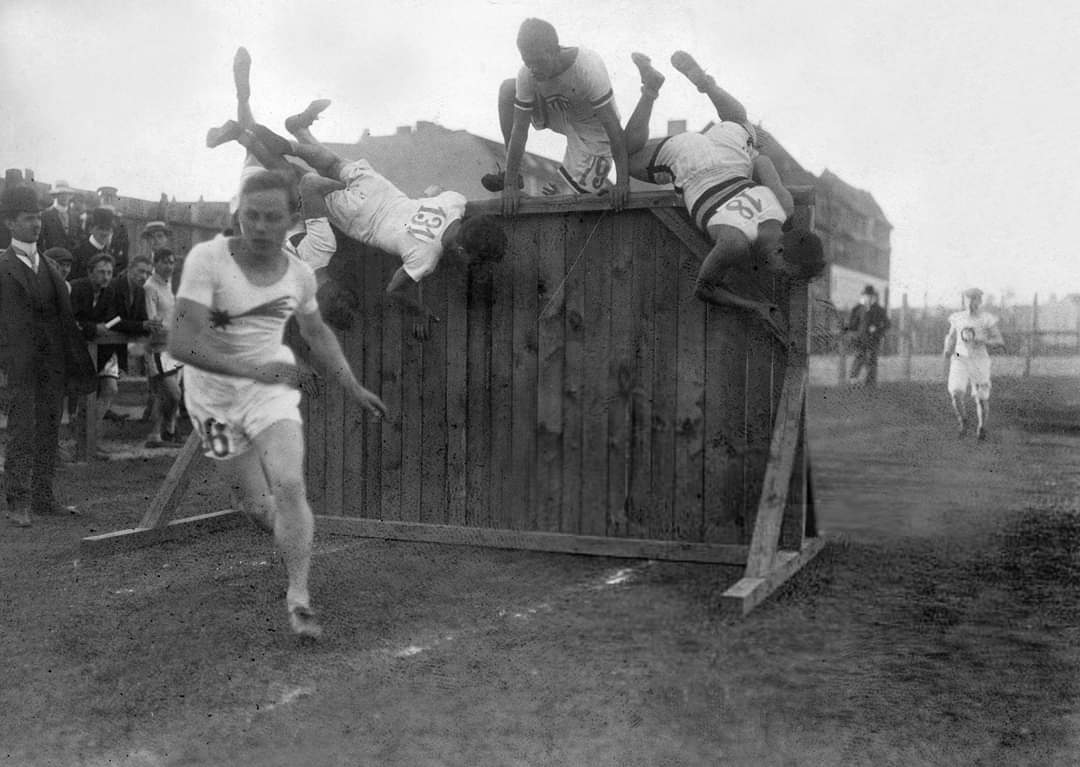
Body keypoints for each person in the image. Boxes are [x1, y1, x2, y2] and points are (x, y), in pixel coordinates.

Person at [168, 169, 388, 638]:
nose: (261, 226)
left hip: (269, 393)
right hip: (211, 399)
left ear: (292, 218)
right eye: (251, 216)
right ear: (237, 215)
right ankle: (284, 534)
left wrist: (351, 385)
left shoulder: (300, 274)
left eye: (272, 217)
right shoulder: (206, 261)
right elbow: (182, 344)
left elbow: (316, 332)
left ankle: (298, 597)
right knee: (257, 506)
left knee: (289, 485)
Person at [208, 115, 507, 340]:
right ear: (462, 249)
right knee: (293, 175)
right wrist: (419, 311)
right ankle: (251, 138)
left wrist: (427, 197)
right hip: (345, 217)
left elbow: (437, 192)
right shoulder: (424, 258)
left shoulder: (454, 203)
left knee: (328, 162)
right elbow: (394, 289)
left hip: (381, 192)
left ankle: (287, 141)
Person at [622, 50, 825, 341]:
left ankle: (706, 85)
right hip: (691, 162)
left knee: (741, 121)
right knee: (626, 158)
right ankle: (650, 90)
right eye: (782, 273)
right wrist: (755, 306)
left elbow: (762, 162)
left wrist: (751, 146)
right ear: (780, 251)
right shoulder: (735, 243)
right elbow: (703, 289)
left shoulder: (784, 206)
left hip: (729, 157)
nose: (777, 277)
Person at [0, 185, 96, 526]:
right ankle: (16, 502)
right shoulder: (3, 266)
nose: (36, 224)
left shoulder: (51, 267)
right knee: (21, 432)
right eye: (28, 219)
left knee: (48, 432)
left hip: (52, 364)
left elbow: (62, 318)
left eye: (39, 218)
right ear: (11, 223)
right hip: (21, 365)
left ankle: (43, 498)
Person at [487, 18, 630, 215]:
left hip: (593, 131)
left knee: (572, 200)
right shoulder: (528, 73)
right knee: (508, 89)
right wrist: (510, 185)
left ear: (556, 50)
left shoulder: (588, 66)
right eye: (528, 63)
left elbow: (613, 128)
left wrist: (623, 182)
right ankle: (512, 176)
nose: (534, 69)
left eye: (539, 62)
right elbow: (519, 130)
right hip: (559, 112)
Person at [944, 287, 1004, 440]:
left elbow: (999, 341)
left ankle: (982, 427)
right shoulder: (957, 317)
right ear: (964, 300)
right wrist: (947, 349)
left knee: (981, 397)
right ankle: (963, 421)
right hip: (959, 356)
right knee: (955, 392)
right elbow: (951, 336)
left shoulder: (986, 319)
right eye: (968, 299)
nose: (970, 303)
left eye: (974, 300)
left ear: (980, 301)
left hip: (979, 359)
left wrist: (983, 340)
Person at [143, 248, 184, 447]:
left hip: (172, 347)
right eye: (165, 262)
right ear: (155, 263)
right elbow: (153, 321)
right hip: (158, 348)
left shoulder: (168, 286)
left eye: (172, 262)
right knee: (173, 393)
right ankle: (167, 428)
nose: (169, 266)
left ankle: (158, 434)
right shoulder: (150, 287)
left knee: (163, 395)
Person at [846, 285, 890, 386]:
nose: (868, 298)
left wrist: (877, 328)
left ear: (874, 297)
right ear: (863, 296)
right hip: (860, 339)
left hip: (873, 339)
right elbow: (852, 325)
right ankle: (853, 379)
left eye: (870, 296)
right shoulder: (857, 309)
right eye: (866, 296)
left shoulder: (880, 310)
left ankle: (870, 383)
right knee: (859, 357)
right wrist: (848, 329)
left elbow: (887, 324)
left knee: (872, 360)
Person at [69, 206, 115, 281]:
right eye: (101, 228)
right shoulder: (78, 252)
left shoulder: (110, 254)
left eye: (107, 229)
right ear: (91, 229)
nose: (104, 233)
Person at [39, 181, 78, 252]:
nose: (65, 197)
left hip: (72, 258)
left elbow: (78, 237)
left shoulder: (74, 216)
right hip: (52, 257)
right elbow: (40, 240)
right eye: (61, 194)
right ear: (54, 196)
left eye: (67, 194)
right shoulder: (45, 215)